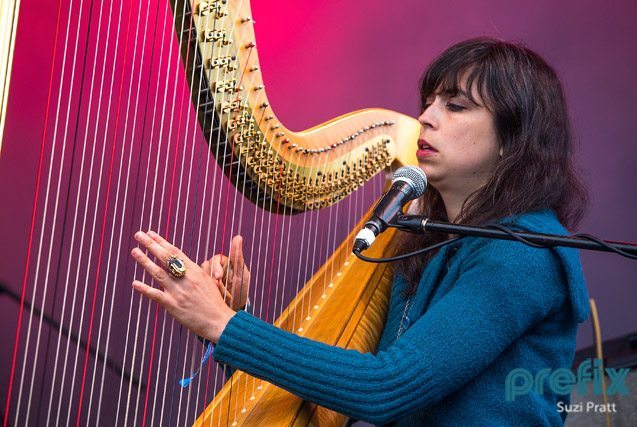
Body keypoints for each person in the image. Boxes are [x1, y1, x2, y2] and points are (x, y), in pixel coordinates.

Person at [130, 37, 589, 425]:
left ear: (513, 138)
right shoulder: (421, 238)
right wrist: (233, 318)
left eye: (455, 105)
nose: (427, 117)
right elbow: (319, 399)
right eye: (427, 101)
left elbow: (385, 387)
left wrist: (224, 323)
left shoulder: (523, 255)